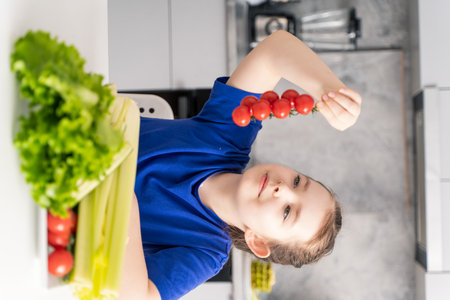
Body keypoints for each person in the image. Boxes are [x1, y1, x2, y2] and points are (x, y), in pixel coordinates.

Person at [119, 30, 362, 300]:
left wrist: (124, 203)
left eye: (286, 212)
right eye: (297, 181)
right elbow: (275, 48)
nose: (283, 189)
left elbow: (139, 296)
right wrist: (327, 89)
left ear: (257, 241)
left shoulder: (206, 252)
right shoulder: (228, 135)